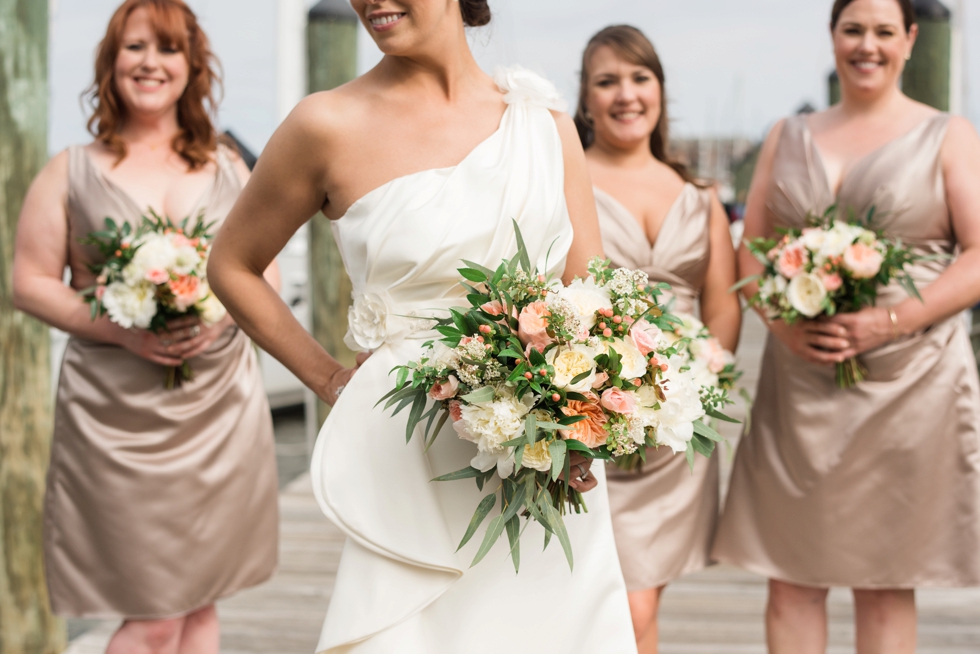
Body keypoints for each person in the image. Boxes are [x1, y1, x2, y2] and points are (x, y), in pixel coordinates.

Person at [206, 1, 638, 652]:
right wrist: (327, 378)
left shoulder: (545, 126)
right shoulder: (325, 124)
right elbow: (232, 264)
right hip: (406, 451)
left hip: (540, 455)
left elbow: (592, 301)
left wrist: (590, 419)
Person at [11, 1, 280, 652]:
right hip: (115, 420)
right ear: (111, 63)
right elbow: (29, 283)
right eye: (134, 48)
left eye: (167, 49)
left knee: (200, 603)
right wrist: (120, 329)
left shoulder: (228, 167)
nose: (150, 63)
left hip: (218, 407)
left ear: (192, 67)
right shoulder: (69, 170)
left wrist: (215, 325)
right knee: (154, 615)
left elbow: (262, 281)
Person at [712, 0, 980, 652]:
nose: (868, 45)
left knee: (887, 580)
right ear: (832, 37)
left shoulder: (948, 133)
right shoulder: (788, 133)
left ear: (911, 40)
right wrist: (781, 328)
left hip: (909, 384)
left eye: (884, 31)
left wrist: (888, 323)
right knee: (791, 578)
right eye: (853, 30)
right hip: (798, 385)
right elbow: (755, 250)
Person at [575, 25, 741, 654]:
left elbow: (722, 307)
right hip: (589, 415)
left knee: (638, 601)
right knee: (605, 601)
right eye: (607, 80)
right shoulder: (564, 182)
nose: (626, 94)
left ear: (661, 92)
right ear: (585, 98)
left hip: (673, 427)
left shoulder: (699, 198)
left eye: (640, 78)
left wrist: (693, 382)